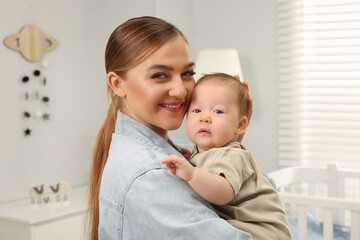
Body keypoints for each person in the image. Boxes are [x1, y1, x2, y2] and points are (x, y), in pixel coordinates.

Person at [88, 16, 253, 240]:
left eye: (187, 73)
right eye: (159, 75)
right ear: (118, 84)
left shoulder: (174, 152)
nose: (180, 91)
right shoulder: (151, 173)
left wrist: (232, 140)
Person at [161, 73, 292, 240]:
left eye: (218, 111)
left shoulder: (233, 155)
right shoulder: (202, 151)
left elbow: (223, 192)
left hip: (262, 231)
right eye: (197, 110)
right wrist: (192, 160)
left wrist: (192, 173)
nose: (205, 118)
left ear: (240, 125)